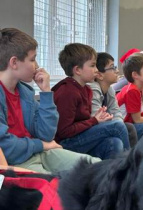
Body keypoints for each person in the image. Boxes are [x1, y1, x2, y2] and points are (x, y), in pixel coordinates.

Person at [0, 28, 99, 174]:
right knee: (54, 188)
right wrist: (41, 145)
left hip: (39, 152)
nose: (37, 65)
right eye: (33, 59)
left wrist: (46, 92)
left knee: (97, 167)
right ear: (14, 62)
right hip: (16, 160)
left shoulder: (25, 92)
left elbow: (46, 134)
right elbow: (6, 147)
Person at [52, 43, 125, 160]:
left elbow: (84, 121)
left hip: (79, 137)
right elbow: (64, 131)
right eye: (92, 66)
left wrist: (97, 118)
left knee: (114, 143)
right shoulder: (67, 92)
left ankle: (112, 177)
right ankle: (131, 170)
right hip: (65, 143)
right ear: (77, 70)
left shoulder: (86, 89)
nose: (96, 70)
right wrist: (94, 121)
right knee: (116, 126)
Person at [88, 52, 137, 147]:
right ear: (99, 75)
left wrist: (118, 122)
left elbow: (116, 111)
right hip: (91, 130)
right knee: (120, 135)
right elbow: (97, 118)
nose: (117, 71)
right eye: (112, 67)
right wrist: (118, 124)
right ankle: (128, 160)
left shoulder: (109, 89)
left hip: (108, 125)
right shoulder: (92, 90)